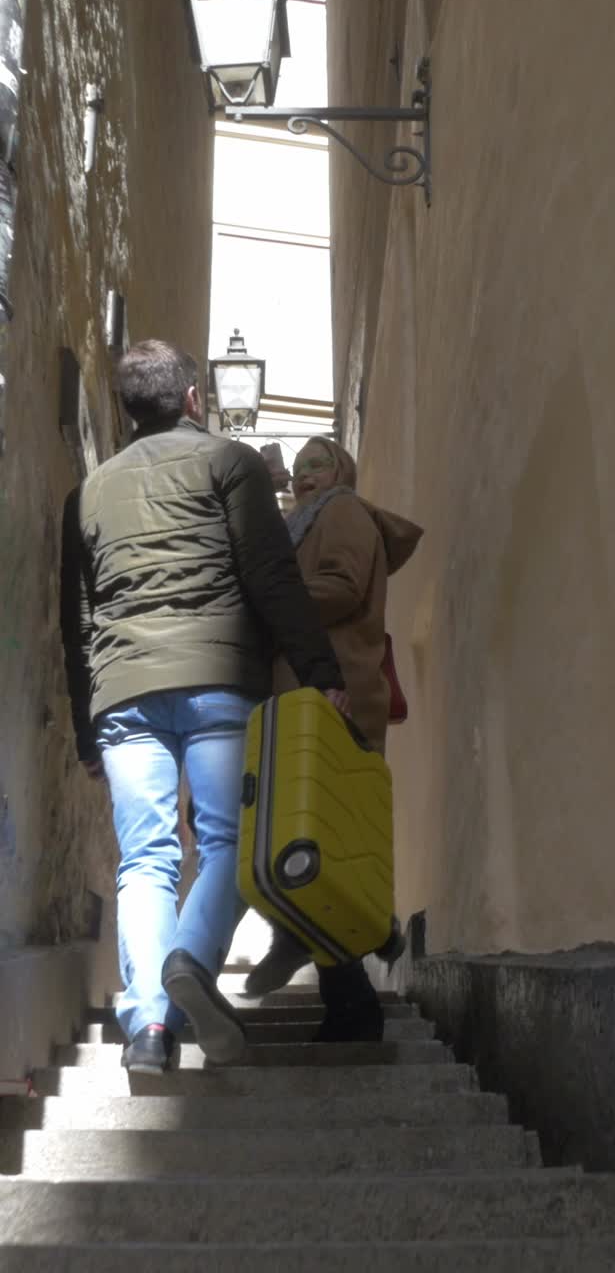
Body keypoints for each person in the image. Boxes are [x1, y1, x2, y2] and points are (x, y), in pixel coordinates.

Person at [60, 341, 349, 1075]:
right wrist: (319, 671)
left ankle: (150, 1029)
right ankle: (189, 963)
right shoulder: (231, 463)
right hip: (221, 679)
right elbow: (270, 574)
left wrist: (84, 729)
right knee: (225, 842)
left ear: (128, 411)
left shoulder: (88, 493)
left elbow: (78, 618)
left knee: (146, 858)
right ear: (193, 398)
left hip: (123, 693)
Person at [245, 437, 423, 1042]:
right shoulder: (302, 525)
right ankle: (352, 994)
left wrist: (270, 603)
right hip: (310, 698)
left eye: (314, 466)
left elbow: (343, 586)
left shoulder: (343, 511)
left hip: (336, 693)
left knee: (315, 839)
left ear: (341, 469)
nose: (302, 479)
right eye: (295, 473)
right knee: (315, 840)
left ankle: (341, 948)